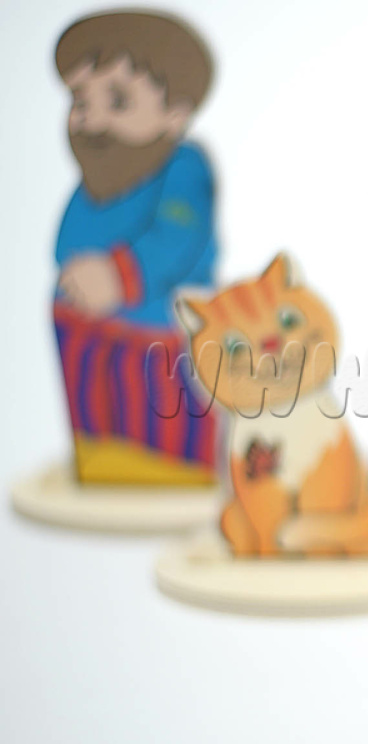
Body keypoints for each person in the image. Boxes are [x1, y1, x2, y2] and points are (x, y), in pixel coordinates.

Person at [52, 10, 219, 484]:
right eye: (80, 101)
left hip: (157, 334)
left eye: (118, 101)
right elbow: (64, 244)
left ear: (175, 115)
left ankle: (179, 471)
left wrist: (119, 275)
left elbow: (178, 235)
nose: (92, 119)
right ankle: (101, 465)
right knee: (97, 416)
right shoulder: (96, 181)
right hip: (83, 333)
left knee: (164, 412)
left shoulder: (184, 166)